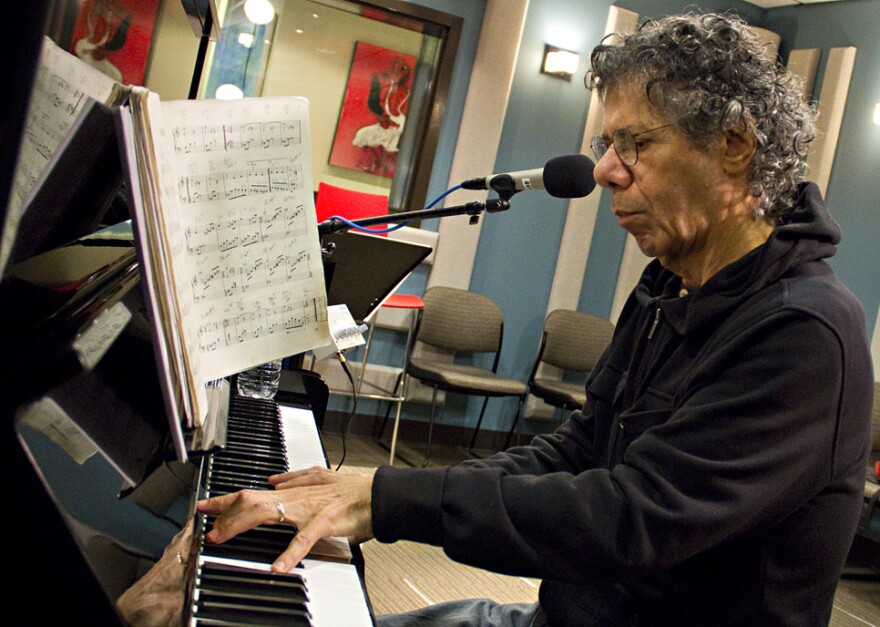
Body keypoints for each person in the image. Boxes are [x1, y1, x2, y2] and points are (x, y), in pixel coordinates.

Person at [121, 11, 874, 626]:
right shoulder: (668, 286)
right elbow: (580, 449)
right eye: (607, 144)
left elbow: (628, 518)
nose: (607, 170)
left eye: (634, 143)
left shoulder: (805, 335)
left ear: (734, 147)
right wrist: (365, 489)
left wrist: (386, 502)